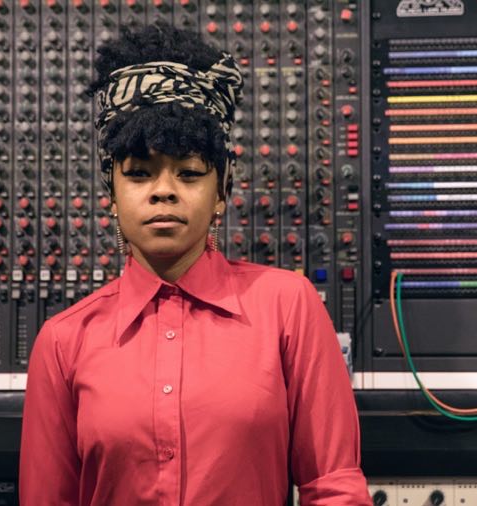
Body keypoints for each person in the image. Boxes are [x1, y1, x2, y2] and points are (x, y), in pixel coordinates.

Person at [19, 22, 372, 505]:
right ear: (112, 193)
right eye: (139, 173)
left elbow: (333, 487)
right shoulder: (63, 342)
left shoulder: (287, 307)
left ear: (221, 190)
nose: (163, 190)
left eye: (189, 173)